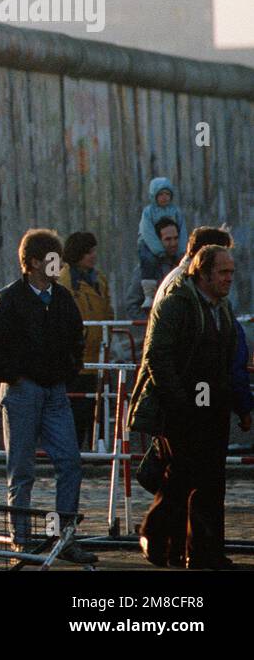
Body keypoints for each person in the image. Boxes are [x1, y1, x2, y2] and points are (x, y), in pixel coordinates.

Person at [0, 228, 96, 564]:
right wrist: (14, 376)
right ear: (36, 262)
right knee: (22, 470)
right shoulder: (9, 298)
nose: (60, 265)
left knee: (69, 463)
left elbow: (76, 338)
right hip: (22, 392)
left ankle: (62, 537)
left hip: (54, 391)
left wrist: (68, 370)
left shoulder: (62, 298)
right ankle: (21, 541)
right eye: (53, 259)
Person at [130, 246, 248, 569]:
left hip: (212, 406)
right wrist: (180, 402)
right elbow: (157, 354)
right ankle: (154, 534)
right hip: (183, 409)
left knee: (211, 483)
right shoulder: (178, 303)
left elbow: (227, 358)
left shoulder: (219, 307)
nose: (228, 278)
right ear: (204, 272)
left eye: (231, 272)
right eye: (223, 272)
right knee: (183, 477)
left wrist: (237, 404)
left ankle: (203, 553)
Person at [56, 232, 115, 448]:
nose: (93, 256)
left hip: (97, 355)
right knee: (76, 409)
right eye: (89, 252)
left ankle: (96, 451)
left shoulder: (99, 279)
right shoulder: (65, 281)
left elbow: (107, 311)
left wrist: (107, 334)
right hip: (74, 358)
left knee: (96, 408)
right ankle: (74, 451)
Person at [125, 220, 182, 316]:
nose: (173, 243)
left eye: (176, 238)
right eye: (168, 239)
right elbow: (132, 307)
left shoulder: (182, 265)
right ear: (157, 241)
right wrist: (152, 326)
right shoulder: (145, 270)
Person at [138, 177, 189, 280]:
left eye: (167, 194)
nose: (164, 197)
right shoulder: (149, 212)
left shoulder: (175, 211)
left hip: (170, 248)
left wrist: (182, 249)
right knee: (149, 261)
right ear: (154, 196)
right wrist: (159, 250)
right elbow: (147, 232)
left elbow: (182, 231)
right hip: (150, 245)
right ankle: (149, 289)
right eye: (161, 194)